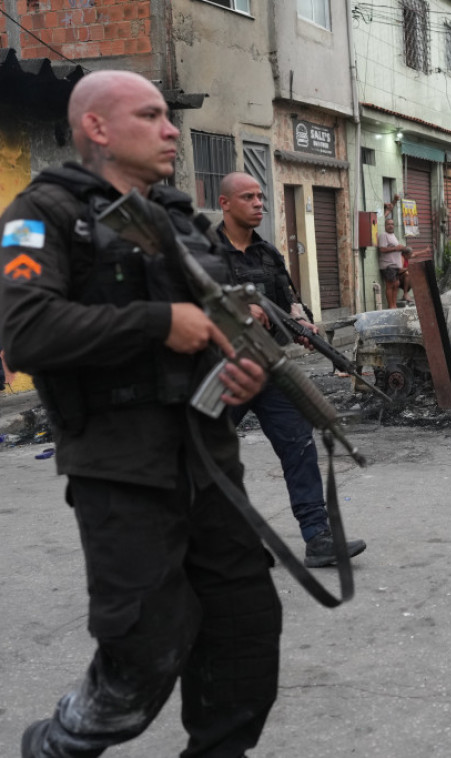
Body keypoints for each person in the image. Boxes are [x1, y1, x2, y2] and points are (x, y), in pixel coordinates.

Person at [1, 70, 280, 756]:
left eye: (168, 116)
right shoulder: (37, 217)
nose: (171, 129)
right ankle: (55, 746)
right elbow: (26, 332)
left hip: (210, 463)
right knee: (143, 654)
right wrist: (157, 322)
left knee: (245, 643)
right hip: (121, 471)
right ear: (97, 127)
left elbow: (220, 327)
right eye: (151, 116)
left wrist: (239, 370)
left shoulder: (181, 220)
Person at [216, 171, 367, 566]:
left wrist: (303, 325)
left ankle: (318, 538)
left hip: (271, 368)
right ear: (225, 203)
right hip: (223, 370)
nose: (258, 203)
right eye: (248, 197)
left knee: (299, 448)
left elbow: (291, 301)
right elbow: (185, 307)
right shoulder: (203, 254)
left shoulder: (268, 254)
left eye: (261, 196)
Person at [377, 217, 412, 309]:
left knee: (396, 284)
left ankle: (394, 305)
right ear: (385, 226)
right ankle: (391, 305)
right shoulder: (383, 235)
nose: (391, 226)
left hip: (395, 266)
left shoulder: (393, 236)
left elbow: (397, 249)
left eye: (392, 224)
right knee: (390, 285)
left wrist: (403, 248)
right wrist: (396, 248)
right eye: (388, 224)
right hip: (388, 265)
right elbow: (382, 249)